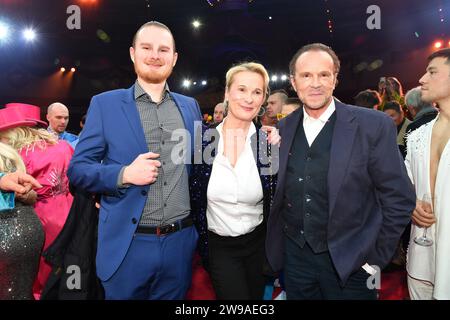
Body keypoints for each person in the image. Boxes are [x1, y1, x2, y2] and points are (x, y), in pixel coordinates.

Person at [265, 43, 416, 300]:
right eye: (306, 75)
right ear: (293, 81)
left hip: (353, 265)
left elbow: (398, 198)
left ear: (335, 79)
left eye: (324, 75)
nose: (315, 83)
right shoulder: (284, 128)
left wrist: (375, 259)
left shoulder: (372, 125)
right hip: (296, 262)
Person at [68, 21, 202, 300]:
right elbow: (78, 169)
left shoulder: (190, 106)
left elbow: (204, 161)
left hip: (180, 243)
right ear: (132, 53)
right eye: (147, 48)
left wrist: (262, 138)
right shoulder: (105, 104)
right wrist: (124, 174)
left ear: (174, 58)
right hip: (127, 245)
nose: (155, 55)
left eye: (163, 49)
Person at [190, 62, 277, 300]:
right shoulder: (202, 141)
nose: (249, 98)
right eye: (241, 89)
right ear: (227, 93)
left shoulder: (268, 145)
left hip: (259, 245)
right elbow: (189, 191)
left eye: (257, 92)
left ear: (262, 99)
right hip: (219, 247)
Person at [0, 106, 74, 300]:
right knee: (65, 267)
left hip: (37, 214)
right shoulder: (64, 146)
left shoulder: (19, 154)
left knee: (36, 271)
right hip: (67, 209)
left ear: (12, 132)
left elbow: (23, 192)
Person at [405, 48, 450, 300]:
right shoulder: (417, 136)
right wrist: (411, 203)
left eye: (432, 72)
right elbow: (406, 184)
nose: (422, 79)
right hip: (420, 259)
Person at [0, 142, 44, 300]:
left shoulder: (6, 150)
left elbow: (31, 195)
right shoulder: (8, 150)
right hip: (28, 227)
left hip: (16, 231)